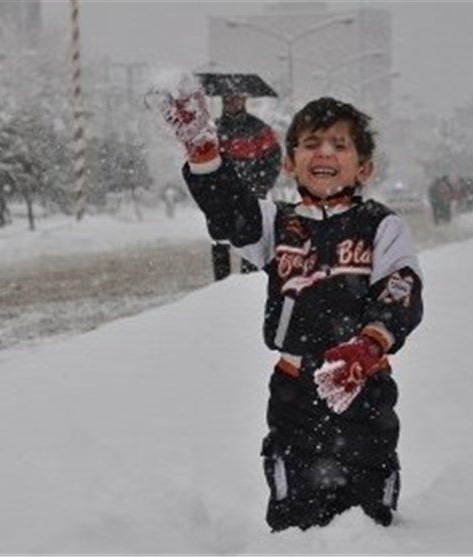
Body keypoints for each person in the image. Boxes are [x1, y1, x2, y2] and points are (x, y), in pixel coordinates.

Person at [161, 92, 424, 531]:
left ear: (364, 167)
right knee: (295, 507)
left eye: (340, 145)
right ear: (290, 162)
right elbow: (232, 213)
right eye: (312, 143)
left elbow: (402, 288)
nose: (325, 152)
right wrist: (206, 156)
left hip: (364, 387)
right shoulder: (276, 223)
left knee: (367, 514)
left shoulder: (381, 225)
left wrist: (370, 342)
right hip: (294, 391)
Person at [211, 93, 282, 278]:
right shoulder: (213, 129)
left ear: (244, 100)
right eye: (228, 99)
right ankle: (221, 285)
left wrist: (260, 185)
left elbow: (273, 158)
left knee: (251, 238)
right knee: (220, 240)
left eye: (236, 98)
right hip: (220, 194)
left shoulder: (259, 129)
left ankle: (249, 281)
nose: (232, 102)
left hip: (251, 193)